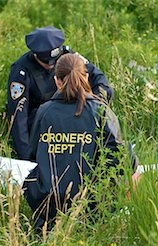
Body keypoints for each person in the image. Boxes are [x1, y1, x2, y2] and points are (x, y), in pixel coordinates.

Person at [22, 53, 137, 232]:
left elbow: (32, 154)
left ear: (56, 81)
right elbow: (121, 159)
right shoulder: (100, 110)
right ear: (87, 77)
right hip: (91, 204)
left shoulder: (44, 112)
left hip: (49, 203)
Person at [7, 26, 113, 160]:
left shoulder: (69, 57)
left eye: (55, 62)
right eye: (48, 63)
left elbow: (102, 83)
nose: (52, 66)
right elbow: (18, 118)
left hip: (74, 117)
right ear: (35, 55)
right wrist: (27, 158)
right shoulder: (21, 71)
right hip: (42, 125)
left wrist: (94, 107)